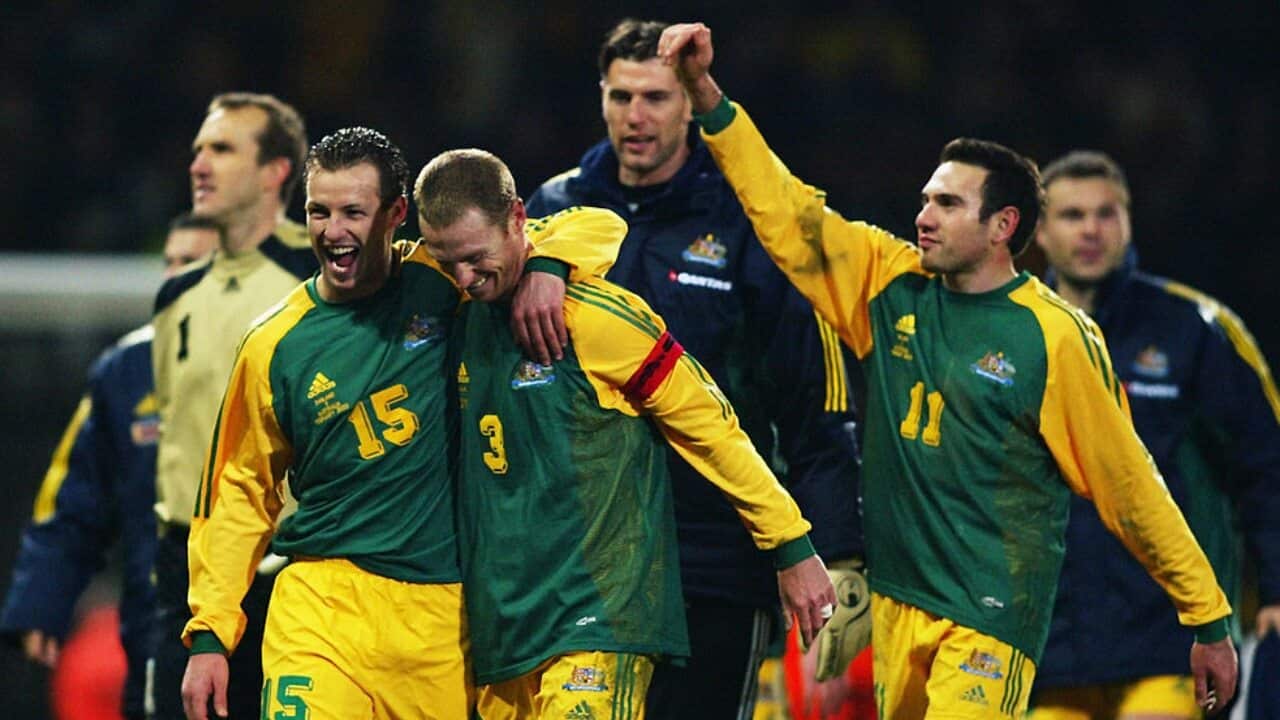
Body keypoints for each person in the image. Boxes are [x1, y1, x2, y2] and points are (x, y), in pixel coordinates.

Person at [658, 21, 1240, 717]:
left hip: (992, 616)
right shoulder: (888, 282)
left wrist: (1205, 617)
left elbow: (1129, 485)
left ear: (1003, 227)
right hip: (900, 605)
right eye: (928, 198)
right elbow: (788, 212)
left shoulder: (1053, 338)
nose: (923, 214)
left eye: (948, 203)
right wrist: (705, 95)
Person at [178, 127, 623, 720]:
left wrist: (549, 266)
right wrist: (210, 635)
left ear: (395, 215)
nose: (333, 231)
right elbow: (237, 491)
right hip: (321, 606)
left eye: (353, 212)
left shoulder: (446, 281)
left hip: (443, 621)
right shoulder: (273, 346)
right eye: (319, 211)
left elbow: (598, 225)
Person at [415, 147, 836, 720]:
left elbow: (714, 430)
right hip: (504, 628)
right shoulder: (459, 308)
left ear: (517, 219)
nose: (464, 277)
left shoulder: (600, 321)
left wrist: (790, 543)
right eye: (447, 260)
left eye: (475, 257)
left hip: (599, 618)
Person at [525, 19, 865, 717]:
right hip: (579, 554)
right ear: (600, 97)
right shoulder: (551, 213)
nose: (635, 117)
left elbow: (814, 403)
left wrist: (835, 553)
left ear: (688, 103)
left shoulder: (749, 223)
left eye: (654, 97)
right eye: (620, 97)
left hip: (713, 558)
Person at [1027, 150, 1280, 719]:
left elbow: (1267, 465)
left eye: (1106, 213)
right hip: (1048, 646)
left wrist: (1276, 588)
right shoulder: (1013, 335)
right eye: (1072, 216)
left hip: (1171, 640)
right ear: (1038, 230)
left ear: (1128, 223)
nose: (1091, 229)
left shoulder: (1196, 330)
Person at [0, 214, 218, 720]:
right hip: (156, 612)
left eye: (196, 265)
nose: (176, 278)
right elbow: (74, 492)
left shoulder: (275, 352)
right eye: (172, 264)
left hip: (258, 613)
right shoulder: (127, 370)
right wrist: (43, 598)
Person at [149, 92, 315, 720]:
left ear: (276, 171)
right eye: (197, 149)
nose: (199, 164)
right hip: (185, 576)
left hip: (290, 571)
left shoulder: (323, 276)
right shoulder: (175, 297)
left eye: (221, 149)